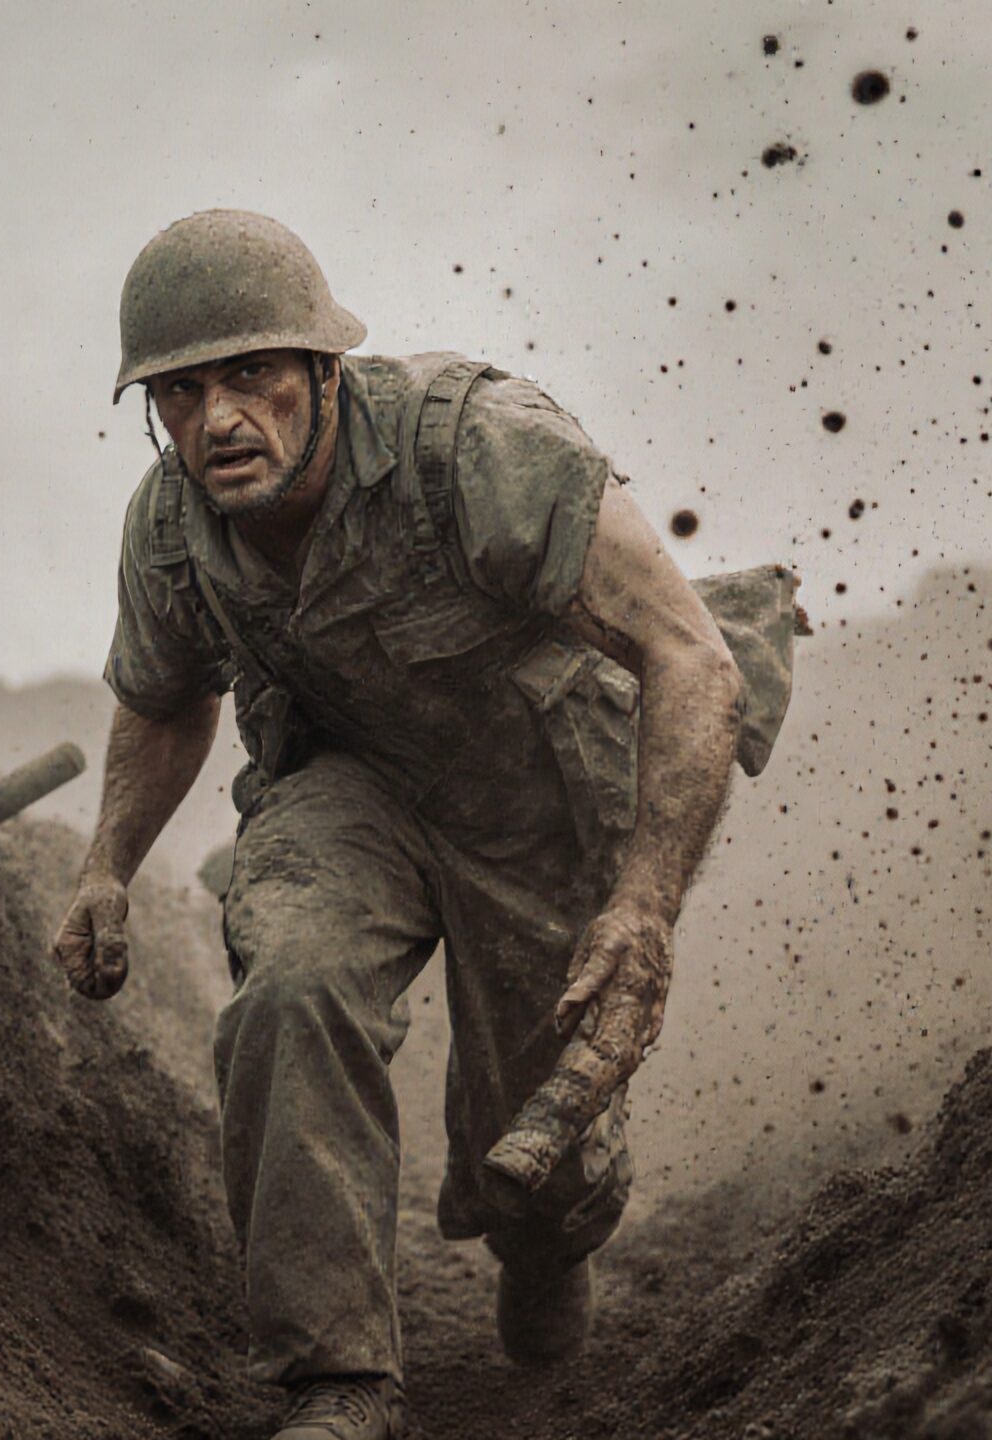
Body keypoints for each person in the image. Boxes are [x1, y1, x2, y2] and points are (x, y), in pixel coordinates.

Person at [50, 209, 752, 1440]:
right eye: (181, 391)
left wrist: (641, 908)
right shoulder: (169, 526)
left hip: (538, 787)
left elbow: (688, 659)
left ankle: (546, 1251)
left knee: (534, 1134)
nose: (218, 420)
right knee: (292, 982)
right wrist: (107, 866)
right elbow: (164, 703)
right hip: (347, 783)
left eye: (253, 378)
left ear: (322, 372)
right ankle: (339, 1378)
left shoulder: (476, 446)